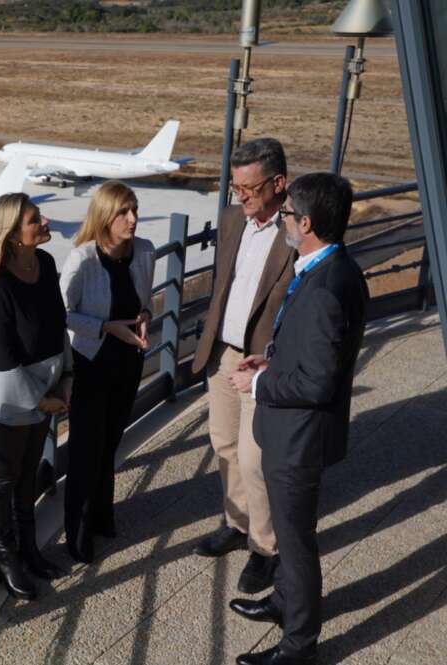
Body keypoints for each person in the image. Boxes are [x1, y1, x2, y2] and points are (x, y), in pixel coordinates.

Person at [228, 172, 368, 665]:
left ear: (305, 222)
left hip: (298, 440)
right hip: (294, 434)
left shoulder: (328, 286)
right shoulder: (332, 268)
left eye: (286, 213)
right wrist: (270, 361)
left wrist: (259, 384)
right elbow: (311, 356)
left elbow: (317, 384)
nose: (281, 218)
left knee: (297, 544)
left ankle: (298, 646)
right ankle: (284, 603)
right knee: (292, 536)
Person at [191, 138, 297, 594]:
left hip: (262, 362)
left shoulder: (295, 230)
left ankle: (265, 548)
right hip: (223, 352)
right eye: (235, 187)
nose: (241, 197)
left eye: (249, 188)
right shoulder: (233, 218)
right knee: (224, 444)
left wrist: (272, 364)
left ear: (278, 183)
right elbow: (224, 287)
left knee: (256, 460)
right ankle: (235, 524)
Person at [0, 192, 71, 601]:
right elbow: (3, 358)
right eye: (35, 219)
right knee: (3, 478)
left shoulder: (46, 264)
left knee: (29, 471)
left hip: (49, 386)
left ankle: (29, 548)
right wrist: (41, 400)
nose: (45, 221)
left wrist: (66, 378)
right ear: (13, 235)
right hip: (13, 397)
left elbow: (58, 324)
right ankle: (5, 557)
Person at [59, 181, 155, 564]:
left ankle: (101, 517)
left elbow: (144, 301)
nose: (133, 219)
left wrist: (145, 318)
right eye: (123, 212)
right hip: (90, 363)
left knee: (110, 442)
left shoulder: (144, 251)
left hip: (127, 362)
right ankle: (78, 536)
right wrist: (105, 327)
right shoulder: (83, 258)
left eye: (134, 210)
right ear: (104, 216)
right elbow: (61, 313)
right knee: (85, 449)